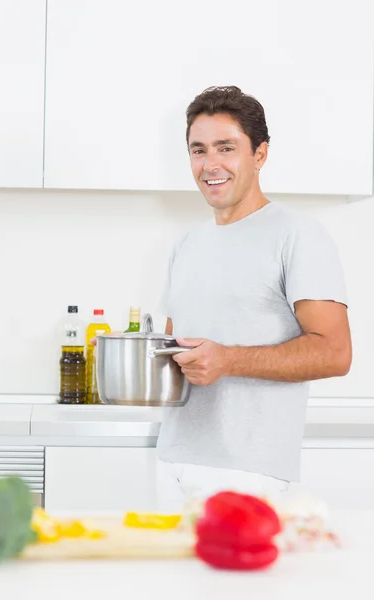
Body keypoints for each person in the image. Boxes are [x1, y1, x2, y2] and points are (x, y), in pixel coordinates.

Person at [156, 85, 352, 512]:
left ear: (259, 155)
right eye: (198, 150)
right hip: (171, 459)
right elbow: (175, 351)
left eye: (226, 148)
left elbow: (335, 353)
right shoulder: (186, 245)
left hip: (247, 471)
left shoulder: (298, 235)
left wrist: (228, 360)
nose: (210, 165)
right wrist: (131, 356)